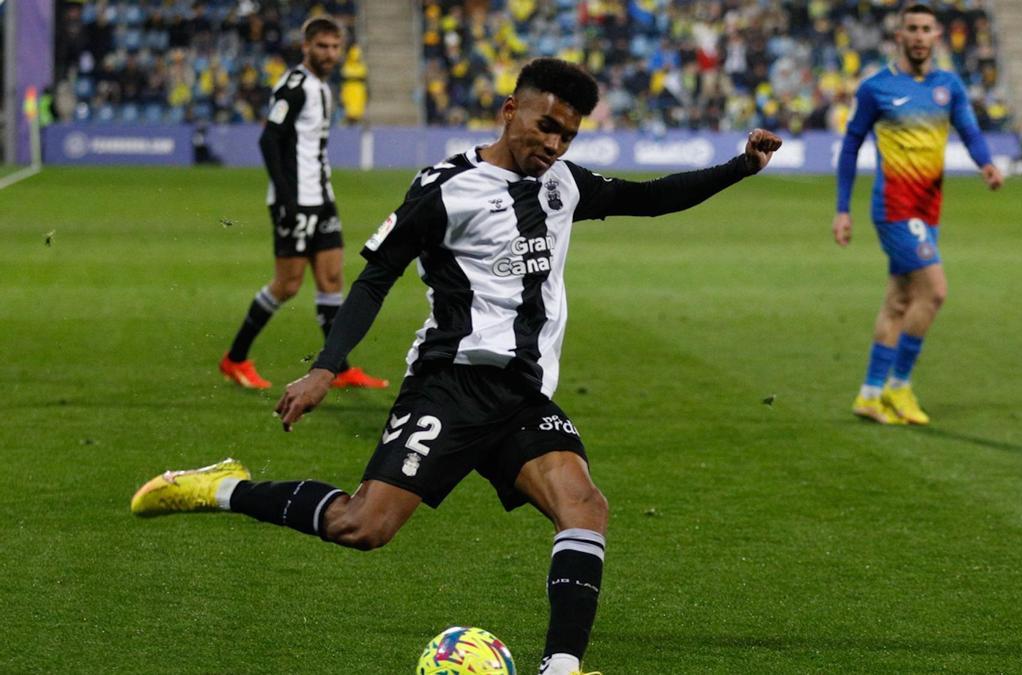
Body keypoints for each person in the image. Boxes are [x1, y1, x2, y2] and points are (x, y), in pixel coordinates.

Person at [131, 58, 782, 675]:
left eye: (568, 134)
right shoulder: (446, 189)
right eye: (546, 125)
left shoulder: (564, 184)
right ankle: (222, 487)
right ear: (510, 111)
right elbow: (376, 275)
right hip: (450, 385)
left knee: (584, 506)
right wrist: (327, 366)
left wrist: (741, 167)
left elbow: (652, 197)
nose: (555, 144)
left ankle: (562, 666)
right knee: (362, 526)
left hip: (522, 394)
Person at [833, 3, 1003, 425]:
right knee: (936, 292)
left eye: (927, 28)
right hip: (894, 206)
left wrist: (986, 162)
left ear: (937, 36)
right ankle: (899, 386)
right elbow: (851, 146)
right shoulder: (877, 89)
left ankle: (870, 396)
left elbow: (969, 130)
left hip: (929, 209)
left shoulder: (949, 86)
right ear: (900, 35)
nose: (920, 35)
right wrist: (842, 209)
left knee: (899, 300)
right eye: (912, 28)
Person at [219, 16, 388, 390]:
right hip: (295, 201)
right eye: (322, 46)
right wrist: (286, 197)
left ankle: (340, 368)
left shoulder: (322, 88)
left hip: (322, 198)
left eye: (334, 47)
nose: (329, 54)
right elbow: (269, 140)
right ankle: (235, 359)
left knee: (331, 279)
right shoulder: (295, 86)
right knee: (287, 285)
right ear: (306, 47)